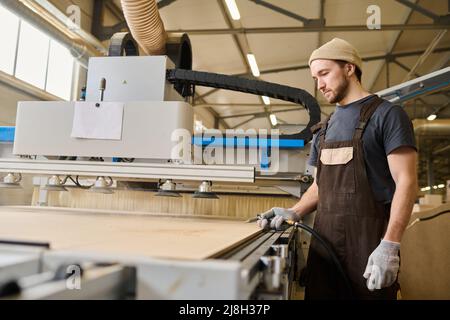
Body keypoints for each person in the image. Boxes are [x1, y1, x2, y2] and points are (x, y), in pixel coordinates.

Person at [257, 38, 418, 300]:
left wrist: (390, 245)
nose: (319, 84)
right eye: (315, 77)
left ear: (349, 68)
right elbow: (320, 186)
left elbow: (407, 182)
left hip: (370, 251)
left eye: (324, 73)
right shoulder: (325, 128)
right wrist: (294, 211)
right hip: (324, 250)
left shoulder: (387, 116)